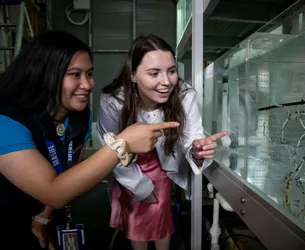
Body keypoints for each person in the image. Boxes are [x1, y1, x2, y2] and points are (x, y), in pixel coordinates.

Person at [0, 30, 180, 250]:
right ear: (44, 74)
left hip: (41, 221)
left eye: (89, 74)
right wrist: (122, 144)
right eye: (75, 74)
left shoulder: (78, 117)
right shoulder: (6, 122)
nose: (88, 84)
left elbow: (66, 173)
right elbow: (54, 191)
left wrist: (42, 218)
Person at [96, 34, 227, 250]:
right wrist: (140, 186)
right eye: (154, 73)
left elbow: (192, 139)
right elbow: (110, 150)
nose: (166, 82)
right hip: (127, 167)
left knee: (160, 216)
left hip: (162, 167)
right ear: (133, 75)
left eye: (172, 71)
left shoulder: (184, 96)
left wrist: (197, 151)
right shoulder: (114, 102)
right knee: (135, 220)